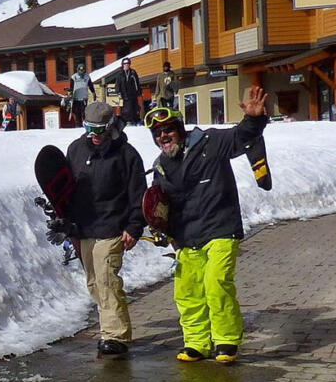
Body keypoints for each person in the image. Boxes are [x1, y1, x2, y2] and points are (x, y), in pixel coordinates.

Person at [146, 85, 269, 365]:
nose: (163, 136)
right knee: (187, 291)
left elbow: (242, 137)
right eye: (157, 134)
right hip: (186, 237)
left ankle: (226, 340)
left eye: (167, 129)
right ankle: (197, 343)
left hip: (220, 229)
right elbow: (159, 206)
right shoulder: (161, 166)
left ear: (179, 127)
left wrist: (254, 119)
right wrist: (160, 227)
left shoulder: (210, 143)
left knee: (215, 283)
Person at [63, 100, 146, 358]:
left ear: (111, 127)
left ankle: (115, 336)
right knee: (94, 284)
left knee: (107, 281)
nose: (94, 136)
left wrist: (134, 226)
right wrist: (64, 220)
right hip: (85, 229)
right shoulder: (76, 150)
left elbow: (138, 194)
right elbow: (65, 190)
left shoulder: (126, 155)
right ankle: (110, 327)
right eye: (89, 129)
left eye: (100, 130)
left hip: (112, 227)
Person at [117, 58, 143, 125]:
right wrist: (118, 92)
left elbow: (137, 83)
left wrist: (139, 91)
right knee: (127, 109)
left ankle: (135, 120)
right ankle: (127, 121)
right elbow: (117, 84)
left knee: (135, 107)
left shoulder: (133, 72)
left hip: (133, 94)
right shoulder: (120, 74)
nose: (126, 65)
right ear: (123, 65)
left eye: (128, 64)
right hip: (125, 94)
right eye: (125, 64)